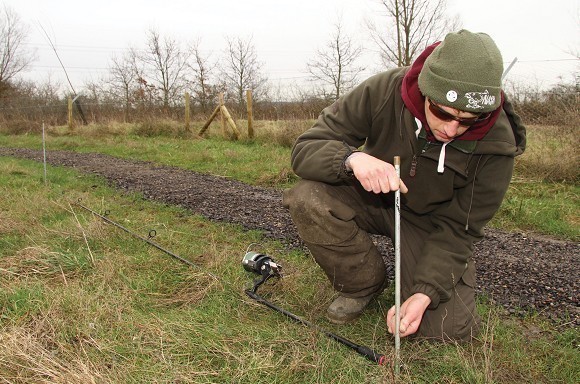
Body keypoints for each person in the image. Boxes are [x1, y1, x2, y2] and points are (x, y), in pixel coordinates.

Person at [283, 29, 526, 341]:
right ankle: (362, 283)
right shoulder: (384, 90)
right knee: (308, 197)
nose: (452, 129)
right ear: (426, 91)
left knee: (444, 331)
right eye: (442, 112)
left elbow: (459, 229)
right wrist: (351, 160)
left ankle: (418, 283)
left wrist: (424, 293)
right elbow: (306, 147)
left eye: (468, 120)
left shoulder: (497, 145)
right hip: (371, 198)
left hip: (431, 225)